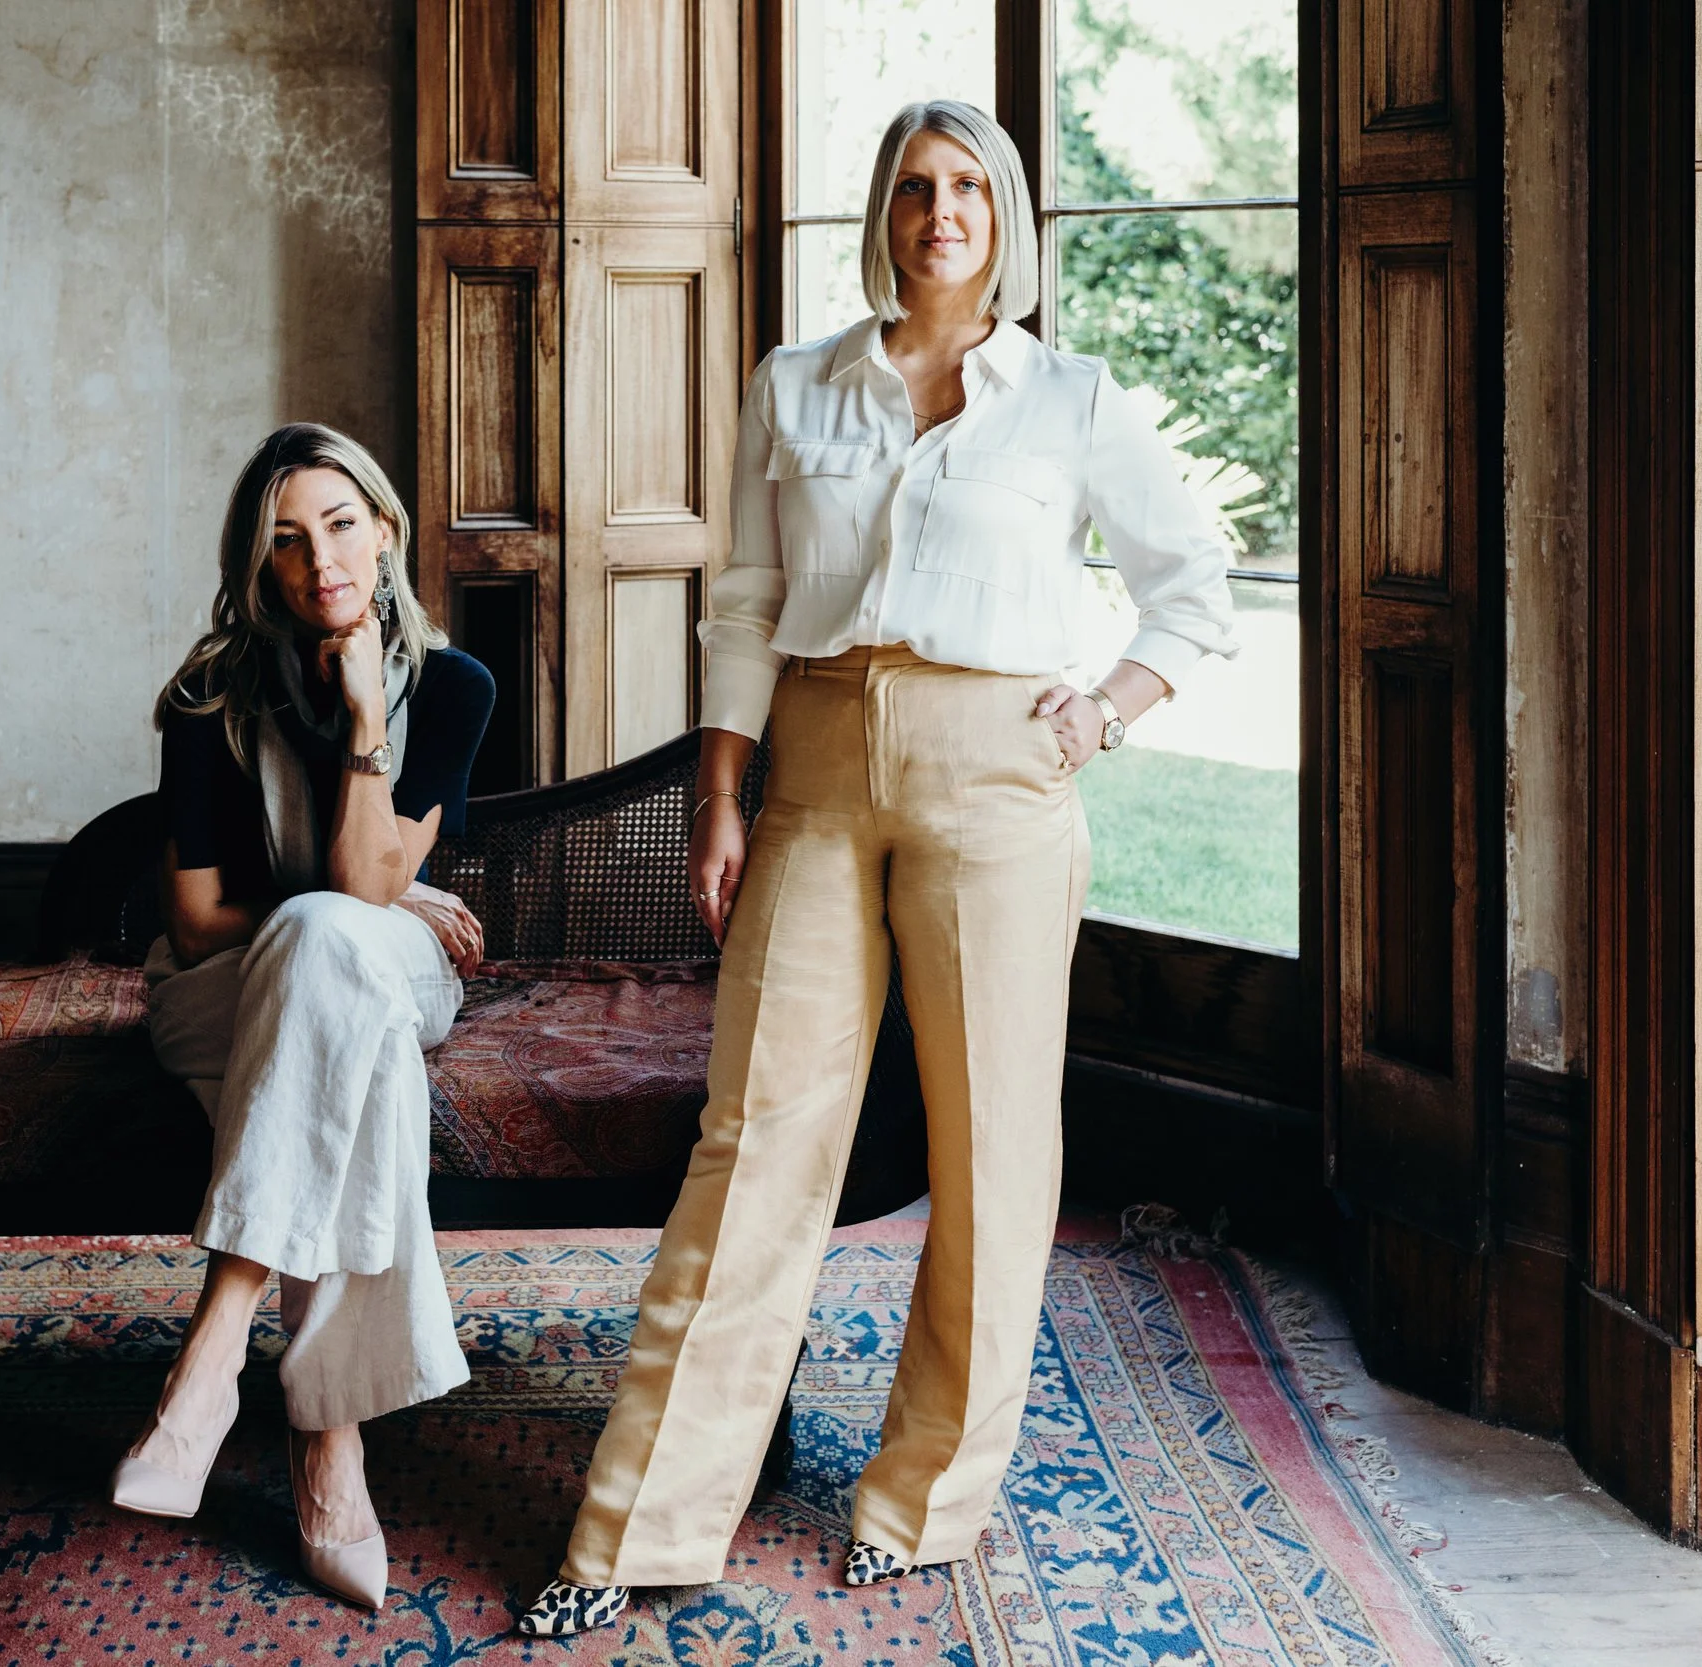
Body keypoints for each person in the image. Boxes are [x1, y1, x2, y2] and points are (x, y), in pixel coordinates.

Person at [516, 99, 1240, 1637]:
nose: (941, 210)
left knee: (993, 1149)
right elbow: (748, 598)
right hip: (822, 772)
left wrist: (1102, 709)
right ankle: (639, 1520)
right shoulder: (798, 383)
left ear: (1008, 214)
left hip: (1001, 777)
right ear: (884, 212)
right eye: (916, 185)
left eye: (970, 185)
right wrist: (720, 794)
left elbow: (1193, 591)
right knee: (755, 1129)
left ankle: (925, 1499)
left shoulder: (1074, 399)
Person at [111, 423, 494, 1614]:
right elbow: (194, 922)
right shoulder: (208, 693)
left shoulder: (452, 687)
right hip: (229, 994)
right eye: (286, 539)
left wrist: (369, 722)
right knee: (330, 968)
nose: (319, 557)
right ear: (258, 564)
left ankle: (215, 1354)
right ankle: (327, 1442)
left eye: (338, 523)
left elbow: (368, 890)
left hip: (383, 971)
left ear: (383, 529)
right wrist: (347, 903)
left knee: (336, 952)